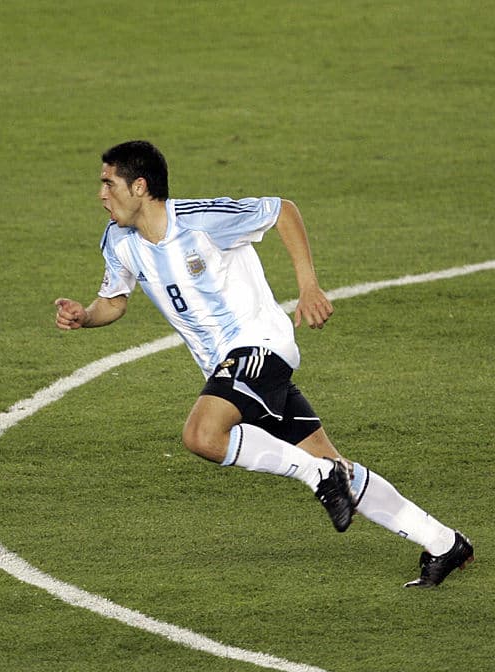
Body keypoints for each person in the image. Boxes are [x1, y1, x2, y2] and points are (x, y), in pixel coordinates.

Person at [54, 140, 473, 587]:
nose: (101, 193)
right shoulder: (119, 241)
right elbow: (113, 301)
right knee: (332, 462)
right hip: (230, 366)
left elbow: (282, 210)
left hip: (260, 345)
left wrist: (308, 285)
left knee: (202, 435)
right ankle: (445, 542)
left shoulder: (201, 221)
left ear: (139, 186)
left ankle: (319, 475)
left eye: (108, 183)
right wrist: (86, 316)